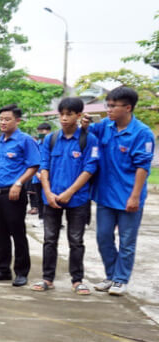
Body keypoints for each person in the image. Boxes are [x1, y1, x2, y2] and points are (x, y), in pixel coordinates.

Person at [82, 86, 155, 296]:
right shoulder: (106, 126)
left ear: (128, 108)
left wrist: (135, 196)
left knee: (127, 241)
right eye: (108, 105)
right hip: (105, 196)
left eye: (114, 106)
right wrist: (86, 124)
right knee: (103, 237)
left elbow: (143, 167)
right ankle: (111, 275)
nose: (109, 110)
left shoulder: (142, 133)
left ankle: (121, 279)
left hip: (128, 197)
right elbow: (88, 132)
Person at [32, 98, 99, 295]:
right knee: (49, 239)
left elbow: (90, 168)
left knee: (76, 240)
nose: (64, 118)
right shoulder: (50, 139)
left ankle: (77, 280)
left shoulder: (88, 140)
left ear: (79, 116)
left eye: (69, 114)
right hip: (51, 199)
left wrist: (70, 192)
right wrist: (48, 192)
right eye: (61, 114)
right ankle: (47, 278)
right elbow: (43, 166)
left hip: (77, 200)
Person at [0, 104, 40, 287]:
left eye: (7, 119)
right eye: (1, 119)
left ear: (17, 120)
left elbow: (34, 165)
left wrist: (19, 183)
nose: (3, 122)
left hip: (14, 193)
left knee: (17, 233)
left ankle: (22, 272)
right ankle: (3, 270)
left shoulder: (24, 140)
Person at [28, 123, 52, 218]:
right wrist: (37, 173)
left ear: (49, 131)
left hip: (49, 177)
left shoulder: (53, 143)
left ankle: (51, 218)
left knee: (49, 197)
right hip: (37, 177)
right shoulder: (36, 144)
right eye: (39, 131)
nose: (40, 133)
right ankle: (41, 217)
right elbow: (33, 160)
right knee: (39, 198)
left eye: (43, 131)